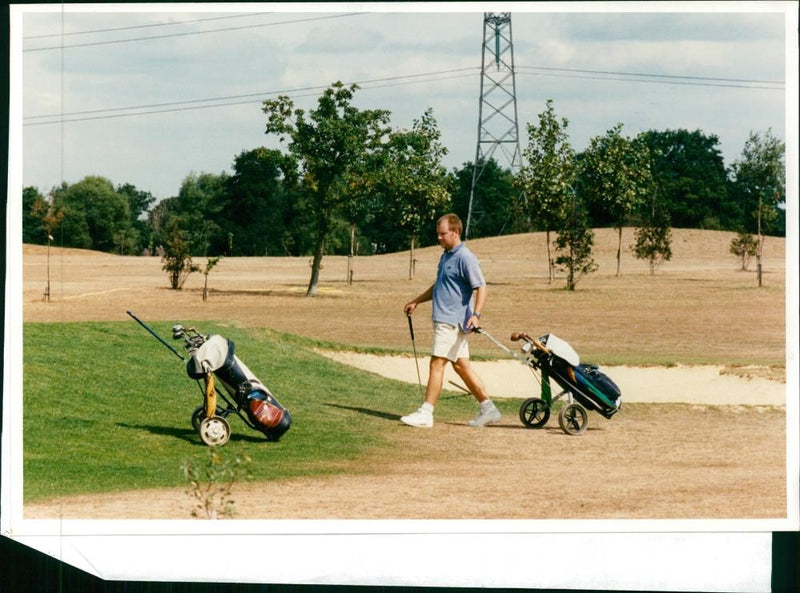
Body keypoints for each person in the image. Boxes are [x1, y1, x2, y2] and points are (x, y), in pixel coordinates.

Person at [400, 213, 501, 428]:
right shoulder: (446, 255)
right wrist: (416, 301)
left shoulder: (465, 257)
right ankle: (488, 408)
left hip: (452, 322)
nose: (438, 238)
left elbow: (481, 287)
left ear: (455, 233)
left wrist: (476, 315)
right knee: (462, 366)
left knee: (437, 363)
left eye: (442, 234)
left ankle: (426, 413)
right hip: (444, 319)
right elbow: (439, 286)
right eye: (438, 234)